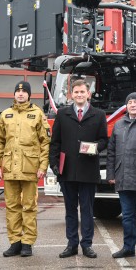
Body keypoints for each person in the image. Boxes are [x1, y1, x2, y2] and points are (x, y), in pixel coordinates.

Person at [49, 79, 108, 259]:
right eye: (76, 92)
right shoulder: (63, 114)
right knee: (70, 210)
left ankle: (87, 244)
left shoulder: (98, 115)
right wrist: (54, 164)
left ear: (88, 94)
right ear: (71, 94)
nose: (79, 95)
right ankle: (72, 244)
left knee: (87, 210)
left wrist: (95, 147)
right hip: (67, 171)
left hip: (88, 171)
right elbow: (55, 143)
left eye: (82, 92)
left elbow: (104, 140)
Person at [0, 81, 50, 257]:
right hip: (10, 169)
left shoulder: (38, 114)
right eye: (18, 91)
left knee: (29, 207)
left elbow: (45, 142)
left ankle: (27, 243)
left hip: (30, 169)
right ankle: (15, 242)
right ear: (14, 94)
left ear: (29, 95)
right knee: (11, 207)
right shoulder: (6, 115)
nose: (21, 94)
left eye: (24, 91)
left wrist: (43, 166)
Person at [106, 93, 136, 260]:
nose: (133, 105)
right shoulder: (119, 125)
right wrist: (111, 174)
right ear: (126, 106)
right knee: (126, 216)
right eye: (130, 102)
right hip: (123, 177)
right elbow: (111, 152)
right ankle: (128, 247)